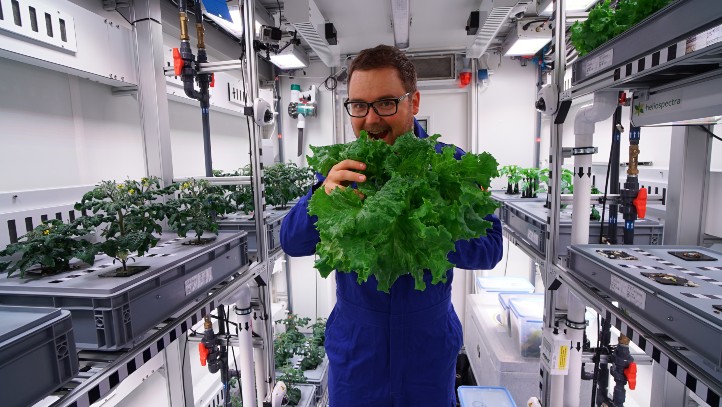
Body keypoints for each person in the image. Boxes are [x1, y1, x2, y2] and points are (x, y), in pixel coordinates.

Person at [280, 45, 503, 407]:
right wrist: (323, 196)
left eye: (386, 103)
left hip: (427, 348)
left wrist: (424, 230)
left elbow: (491, 249)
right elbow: (291, 241)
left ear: (413, 102)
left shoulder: (451, 166)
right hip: (357, 352)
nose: (370, 119)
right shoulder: (341, 170)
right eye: (358, 105)